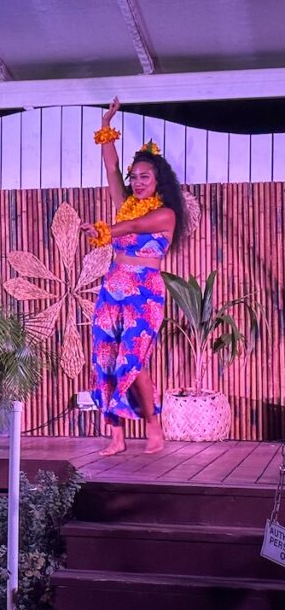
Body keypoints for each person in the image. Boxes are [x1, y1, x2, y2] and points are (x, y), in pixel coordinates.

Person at [81, 98, 189, 456]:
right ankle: (116, 435)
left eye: (145, 177)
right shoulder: (125, 202)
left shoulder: (166, 215)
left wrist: (104, 229)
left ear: (159, 180)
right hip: (113, 287)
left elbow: (135, 226)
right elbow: (111, 167)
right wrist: (106, 123)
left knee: (132, 360)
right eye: (135, 177)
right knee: (105, 359)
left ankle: (153, 427)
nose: (138, 182)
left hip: (145, 291)